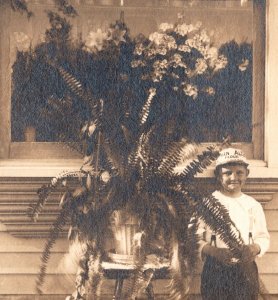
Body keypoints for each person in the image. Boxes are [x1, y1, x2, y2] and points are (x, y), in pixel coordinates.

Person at [198, 148, 270, 300]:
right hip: (215, 268)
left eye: (239, 172)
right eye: (227, 173)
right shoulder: (208, 203)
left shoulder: (252, 205)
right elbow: (193, 237)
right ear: (218, 176)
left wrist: (254, 248)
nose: (233, 177)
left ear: (247, 175)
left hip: (245, 267)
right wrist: (213, 251)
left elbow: (263, 237)